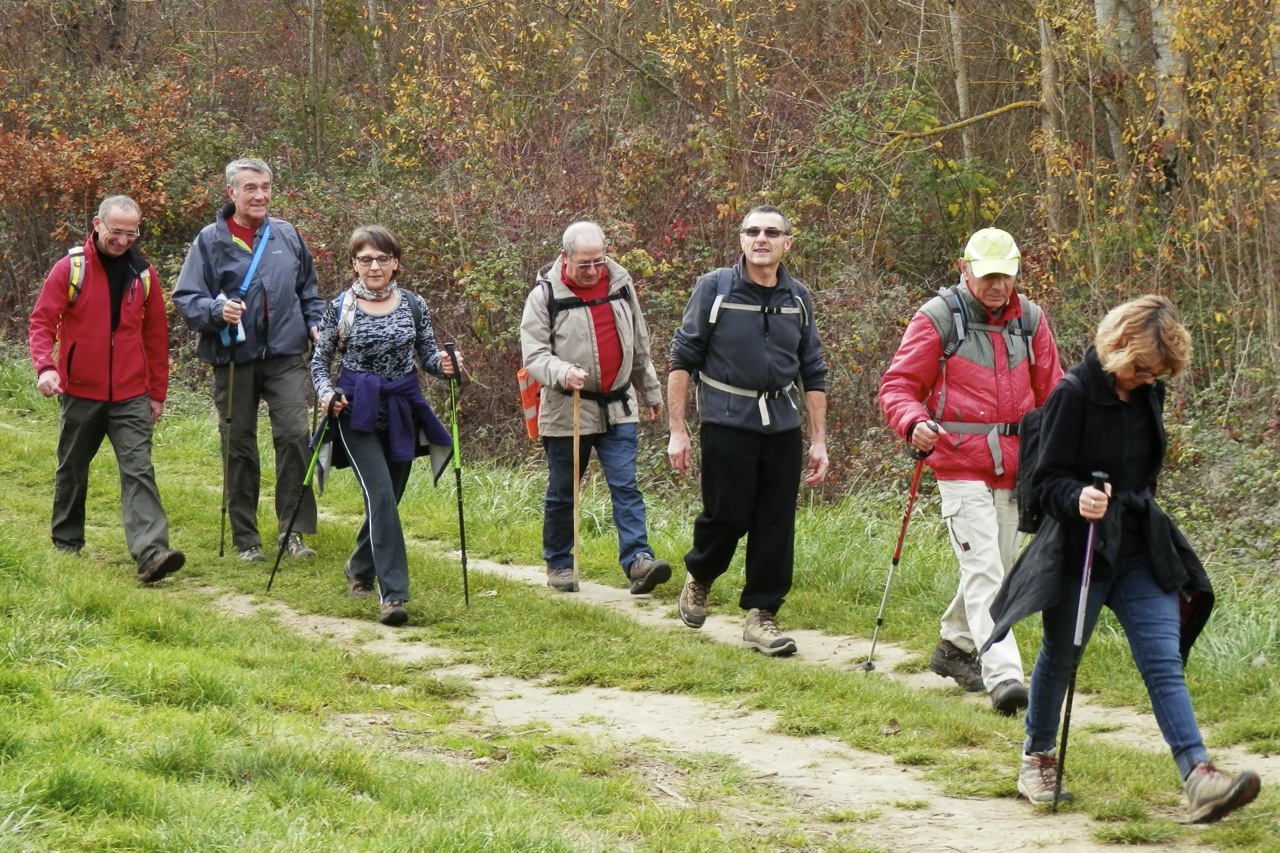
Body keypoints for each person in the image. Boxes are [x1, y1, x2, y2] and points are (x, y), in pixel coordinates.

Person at [987, 295, 1261, 821]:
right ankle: (1038, 758)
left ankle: (1199, 776)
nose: (1144, 379)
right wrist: (1078, 498)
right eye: (1139, 368)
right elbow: (1044, 485)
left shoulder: (1148, 393)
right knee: (1062, 657)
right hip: (1080, 547)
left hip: (1138, 544)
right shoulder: (1073, 394)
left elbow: (1144, 473)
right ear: (1115, 348)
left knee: (1162, 662)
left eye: (1156, 374)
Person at [878, 227, 1063, 714]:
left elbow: (1054, 395)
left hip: (1017, 468)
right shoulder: (937, 318)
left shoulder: (1032, 321)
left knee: (997, 569)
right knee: (985, 570)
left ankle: (954, 646)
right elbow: (897, 386)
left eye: (1005, 276)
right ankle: (1005, 676)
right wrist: (913, 422)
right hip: (958, 461)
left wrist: (1067, 454)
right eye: (987, 276)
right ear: (965, 269)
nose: (998, 286)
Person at [667, 205, 828, 657]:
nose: (762, 238)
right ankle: (700, 575)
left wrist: (818, 441)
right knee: (729, 514)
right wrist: (678, 431)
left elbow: (813, 370)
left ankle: (762, 614)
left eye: (772, 232)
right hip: (726, 420)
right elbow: (683, 360)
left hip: (782, 426)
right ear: (741, 240)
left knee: (776, 523)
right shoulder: (714, 288)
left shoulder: (797, 298)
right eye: (753, 231)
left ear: (787, 243)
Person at [173, 157, 325, 563]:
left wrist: (315, 325)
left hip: (286, 354)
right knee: (239, 445)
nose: (260, 195)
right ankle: (246, 539)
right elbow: (187, 298)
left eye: (266, 187)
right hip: (234, 357)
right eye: (251, 188)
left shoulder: (287, 235)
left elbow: (308, 290)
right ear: (232, 193)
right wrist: (215, 312)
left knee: (294, 436)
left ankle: (292, 532)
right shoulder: (209, 240)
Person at [28, 195, 185, 584]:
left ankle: (152, 553)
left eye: (132, 233)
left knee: (139, 471)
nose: (124, 240)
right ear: (97, 224)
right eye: (117, 231)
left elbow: (155, 337)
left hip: (131, 394)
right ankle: (66, 543)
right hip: (81, 390)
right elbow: (42, 322)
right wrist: (46, 367)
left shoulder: (144, 274)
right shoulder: (71, 268)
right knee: (72, 469)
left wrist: (156, 393)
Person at [311, 226, 459, 627]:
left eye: (382, 259)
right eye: (365, 259)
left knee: (388, 501)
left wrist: (445, 364)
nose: (374, 266)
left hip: (402, 410)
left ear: (396, 263)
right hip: (355, 412)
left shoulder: (413, 304)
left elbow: (427, 352)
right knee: (379, 497)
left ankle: (358, 567)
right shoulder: (340, 306)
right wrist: (326, 394)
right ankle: (392, 594)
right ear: (353, 264)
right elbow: (319, 362)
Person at [520, 221, 670, 594]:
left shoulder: (619, 283)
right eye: (584, 264)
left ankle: (638, 561)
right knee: (563, 490)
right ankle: (559, 563)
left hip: (619, 404)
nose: (592, 271)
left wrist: (650, 391)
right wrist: (561, 370)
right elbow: (534, 355)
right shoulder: (544, 297)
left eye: (598, 262)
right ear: (564, 257)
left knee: (626, 485)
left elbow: (638, 340)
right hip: (567, 407)